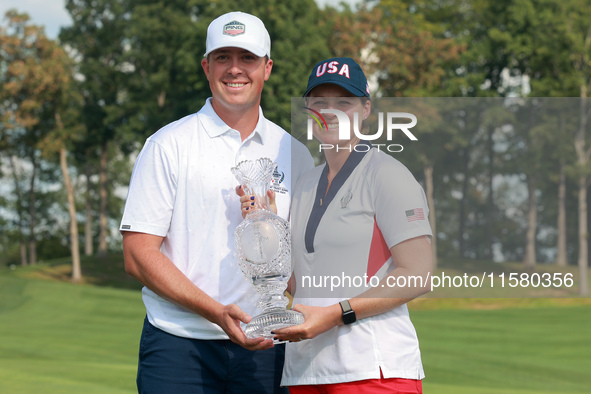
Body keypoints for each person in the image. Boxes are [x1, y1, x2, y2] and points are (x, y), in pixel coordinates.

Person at [119, 11, 314, 394]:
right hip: (179, 345)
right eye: (223, 57)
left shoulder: (295, 154)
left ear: (267, 67)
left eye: (248, 58)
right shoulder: (168, 145)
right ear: (207, 66)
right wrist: (216, 312)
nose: (235, 69)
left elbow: (303, 265)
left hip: (268, 346)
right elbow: (138, 254)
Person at [273, 58, 433, 393]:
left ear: (365, 109)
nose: (329, 111)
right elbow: (298, 283)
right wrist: (264, 226)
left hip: (373, 369)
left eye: (343, 102)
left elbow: (418, 275)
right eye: (319, 102)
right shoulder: (304, 184)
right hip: (307, 370)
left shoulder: (387, 175)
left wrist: (334, 314)